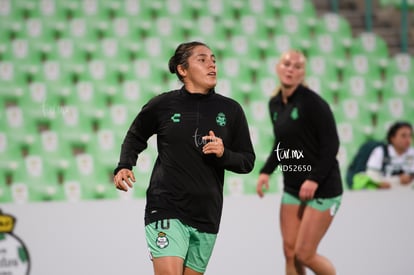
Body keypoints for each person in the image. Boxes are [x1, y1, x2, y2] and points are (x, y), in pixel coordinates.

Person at [113, 41, 255, 275]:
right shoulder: (163, 104)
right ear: (182, 69)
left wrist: (223, 154)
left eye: (213, 59)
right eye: (202, 59)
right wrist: (124, 165)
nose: (211, 64)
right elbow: (135, 135)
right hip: (166, 206)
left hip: (207, 214)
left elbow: (247, 161)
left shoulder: (231, 110)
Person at [256, 50, 343, 275]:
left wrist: (314, 179)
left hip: (323, 188)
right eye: (286, 64)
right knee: (290, 251)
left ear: (303, 73)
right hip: (293, 187)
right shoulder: (274, 104)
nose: (290, 69)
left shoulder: (313, 103)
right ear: (278, 67)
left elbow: (331, 145)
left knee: (305, 254)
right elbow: (282, 143)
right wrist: (266, 172)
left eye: (297, 66)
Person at [365, 121, 414, 189]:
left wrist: (410, 177)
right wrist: (379, 183)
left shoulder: (412, 153)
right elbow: (371, 174)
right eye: (403, 136)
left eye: (410, 136)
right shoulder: (381, 152)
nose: (408, 139)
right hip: (384, 193)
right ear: (392, 138)